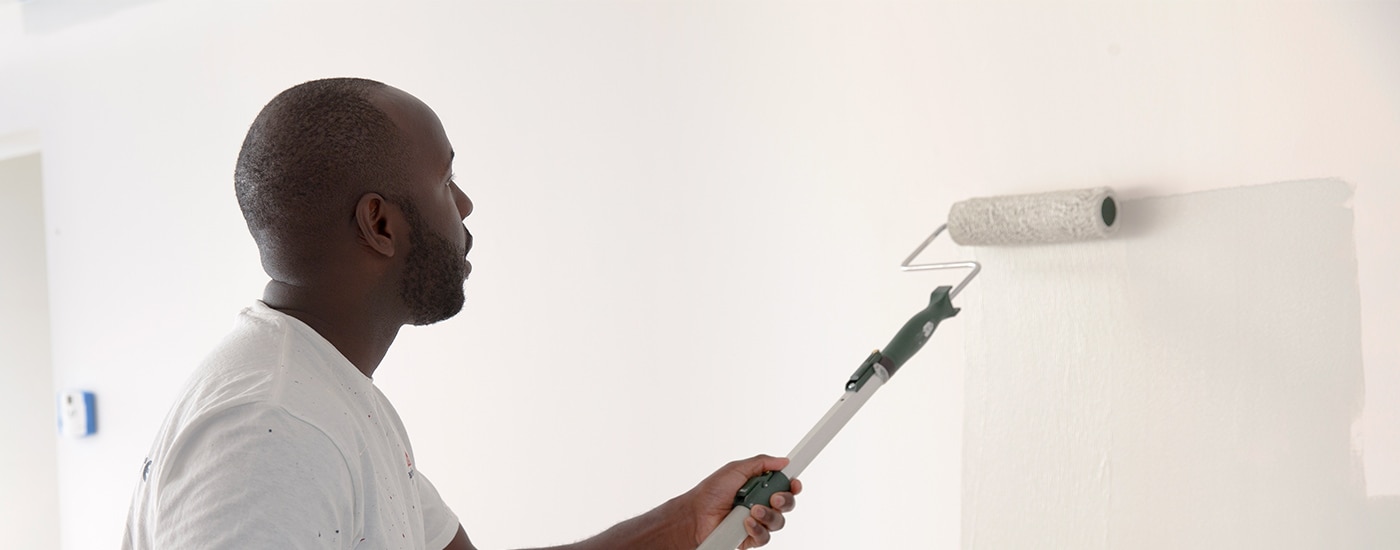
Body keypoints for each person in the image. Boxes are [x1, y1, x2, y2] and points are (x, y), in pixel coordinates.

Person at [121, 77, 800, 550]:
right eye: (446, 180)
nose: (466, 206)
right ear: (380, 223)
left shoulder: (331, 398)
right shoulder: (271, 430)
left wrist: (689, 523)